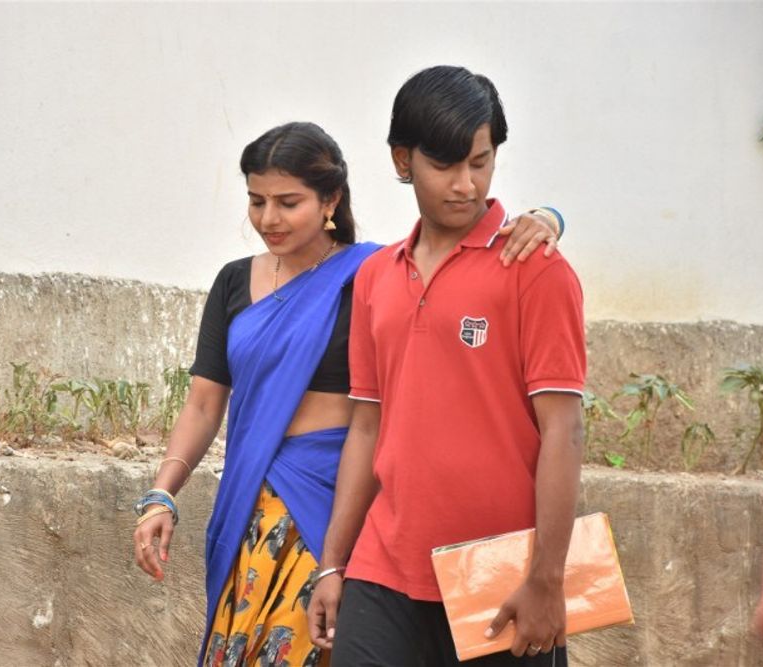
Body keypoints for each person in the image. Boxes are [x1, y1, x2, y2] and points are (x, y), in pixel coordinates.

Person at [132, 121, 565, 667]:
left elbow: (452, 257)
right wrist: (163, 494)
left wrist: (548, 217)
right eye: (257, 202)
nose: (269, 219)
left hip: (338, 503)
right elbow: (203, 403)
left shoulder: (372, 273)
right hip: (251, 508)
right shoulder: (233, 283)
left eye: (289, 202)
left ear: (331, 200)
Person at [307, 66, 586, 667]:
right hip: (384, 570)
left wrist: (547, 578)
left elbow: (564, 429)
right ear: (402, 160)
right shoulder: (375, 277)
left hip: (503, 577)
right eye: (445, 166)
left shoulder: (535, 269)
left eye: (481, 162)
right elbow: (366, 426)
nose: (466, 184)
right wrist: (333, 563)